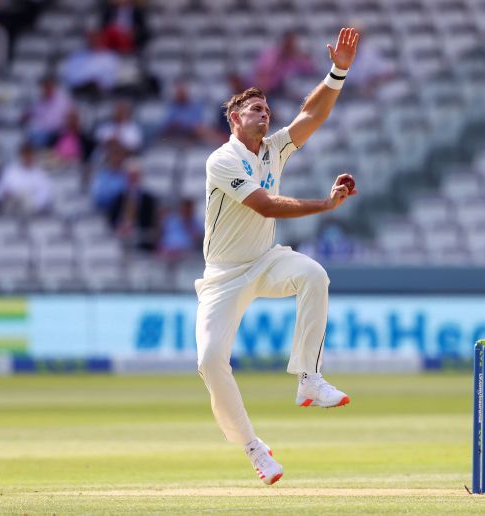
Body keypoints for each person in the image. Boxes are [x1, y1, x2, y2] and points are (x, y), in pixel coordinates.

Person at [195, 27, 360, 486]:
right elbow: (265, 205)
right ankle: (254, 448)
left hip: (266, 260)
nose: (263, 114)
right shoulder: (222, 160)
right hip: (225, 275)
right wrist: (324, 205)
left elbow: (311, 114)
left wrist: (338, 71)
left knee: (314, 275)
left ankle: (309, 378)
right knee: (210, 362)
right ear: (234, 118)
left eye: (266, 109)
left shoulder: (272, 149)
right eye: (254, 109)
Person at [107, 159, 157, 250]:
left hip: (141, 238)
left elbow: (151, 223)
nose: (132, 178)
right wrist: (120, 228)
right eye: (130, 176)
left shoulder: (148, 199)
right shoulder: (119, 197)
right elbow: (112, 219)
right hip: (120, 238)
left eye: (135, 175)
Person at [253, 31, 317, 96]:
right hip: (265, 90)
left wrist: (299, 54)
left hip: (280, 91)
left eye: (293, 44)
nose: (290, 46)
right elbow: (262, 75)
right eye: (289, 43)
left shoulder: (293, 58)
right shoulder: (271, 55)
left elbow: (311, 68)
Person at [26, 75, 74, 149]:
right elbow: (31, 115)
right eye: (45, 87)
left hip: (59, 133)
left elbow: (72, 116)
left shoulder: (63, 100)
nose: (46, 89)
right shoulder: (38, 102)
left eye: (49, 86)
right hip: (43, 134)